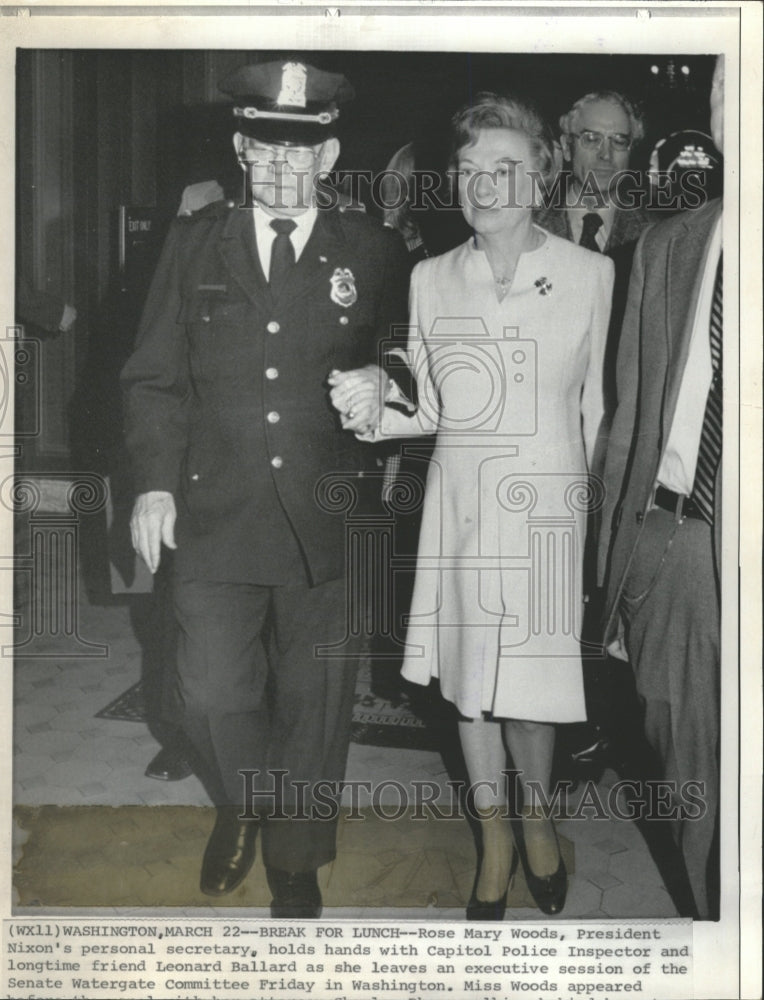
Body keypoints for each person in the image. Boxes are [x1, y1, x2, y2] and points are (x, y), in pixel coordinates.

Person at [121, 58, 409, 918]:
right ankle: (248, 799)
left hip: (327, 511)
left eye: (302, 152)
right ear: (241, 147)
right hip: (213, 506)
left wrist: (384, 380)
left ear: (328, 157)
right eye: (264, 150)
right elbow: (152, 377)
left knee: (315, 699)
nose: (282, 171)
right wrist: (152, 486)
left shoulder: (373, 248)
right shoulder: (194, 241)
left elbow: (410, 353)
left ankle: (293, 853)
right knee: (207, 689)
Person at [330, 93, 614, 919]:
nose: (484, 186)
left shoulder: (591, 275)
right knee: (470, 694)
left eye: (504, 169)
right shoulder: (430, 278)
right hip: (458, 514)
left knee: (533, 698)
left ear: (541, 174)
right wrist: (370, 402)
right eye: (469, 171)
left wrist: (589, 535)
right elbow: (428, 409)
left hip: (547, 515)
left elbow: (598, 414)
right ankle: (493, 840)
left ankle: (538, 820)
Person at [598, 55, 725, 920]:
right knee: (691, 769)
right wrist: (620, 568)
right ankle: (722, 932)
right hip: (679, 542)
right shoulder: (669, 246)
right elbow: (631, 419)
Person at [535, 91, 653, 782]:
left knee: (608, 584)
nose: (604, 156)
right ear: (565, 141)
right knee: (552, 581)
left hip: (622, 441)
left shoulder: (661, 233)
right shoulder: (528, 224)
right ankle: (560, 724)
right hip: (545, 441)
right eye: (590, 140)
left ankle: (606, 720)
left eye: (619, 143)